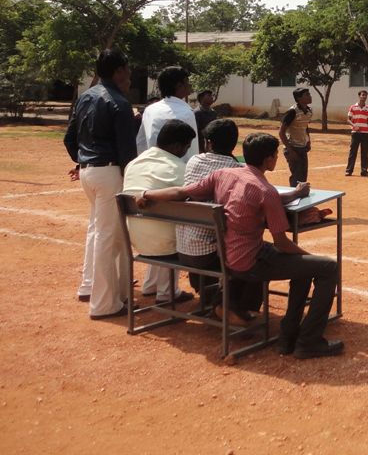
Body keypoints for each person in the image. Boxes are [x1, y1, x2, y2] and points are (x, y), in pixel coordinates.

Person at [137, 133, 342, 359]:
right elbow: (282, 243)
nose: (276, 158)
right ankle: (309, 340)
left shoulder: (223, 175)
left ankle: (288, 336)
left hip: (228, 257)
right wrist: (308, 255)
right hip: (251, 262)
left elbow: (181, 192)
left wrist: (146, 193)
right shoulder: (266, 191)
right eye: (275, 155)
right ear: (268, 160)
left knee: (303, 268)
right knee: (326, 267)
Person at [64, 49, 138, 319]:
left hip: (88, 171)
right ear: (118, 70)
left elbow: (69, 138)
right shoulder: (119, 103)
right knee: (110, 237)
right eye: (127, 69)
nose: (129, 74)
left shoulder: (86, 96)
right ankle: (105, 303)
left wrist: (82, 160)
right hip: (109, 172)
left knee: (97, 231)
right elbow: (127, 151)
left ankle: (89, 286)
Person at [174, 118, 254, 320]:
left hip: (183, 247)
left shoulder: (194, 161)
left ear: (208, 142)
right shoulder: (236, 169)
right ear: (234, 144)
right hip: (209, 251)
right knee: (252, 249)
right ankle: (231, 305)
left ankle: (213, 298)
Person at [122, 119, 197, 306]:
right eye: (186, 147)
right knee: (181, 225)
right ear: (177, 146)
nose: (186, 152)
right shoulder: (179, 168)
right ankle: (166, 292)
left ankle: (152, 284)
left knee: (159, 223)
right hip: (166, 244)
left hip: (135, 238)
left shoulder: (134, 163)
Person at [137, 66, 199, 165]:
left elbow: (141, 143)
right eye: (187, 81)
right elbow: (191, 150)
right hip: (177, 172)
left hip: (151, 167)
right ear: (179, 86)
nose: (189, 84)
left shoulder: (150, 110)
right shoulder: (186, 113)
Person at [279, 87, 313, 188]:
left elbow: (305, 126)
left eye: (309, 94)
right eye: (307, 95)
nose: (310, 96)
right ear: (299, 98)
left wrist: (308, 141)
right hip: (293, 147)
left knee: (303, 176)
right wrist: (290, 150)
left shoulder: (309, 111)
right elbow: (281, 132)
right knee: (296, 177)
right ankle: (294, 199)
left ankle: (302, 200)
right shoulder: (292, 112)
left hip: (303, 147)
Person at [345, 89, 368, 177]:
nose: (364, 97)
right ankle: (349, 171)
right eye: (362, 95)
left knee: (364, 153)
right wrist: (354, 125)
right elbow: (348, 120)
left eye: (365, 95)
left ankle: (364, 171)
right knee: (353, 152)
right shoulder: (353, 107)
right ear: (359, 96)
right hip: (355, 133)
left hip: (365, 133)